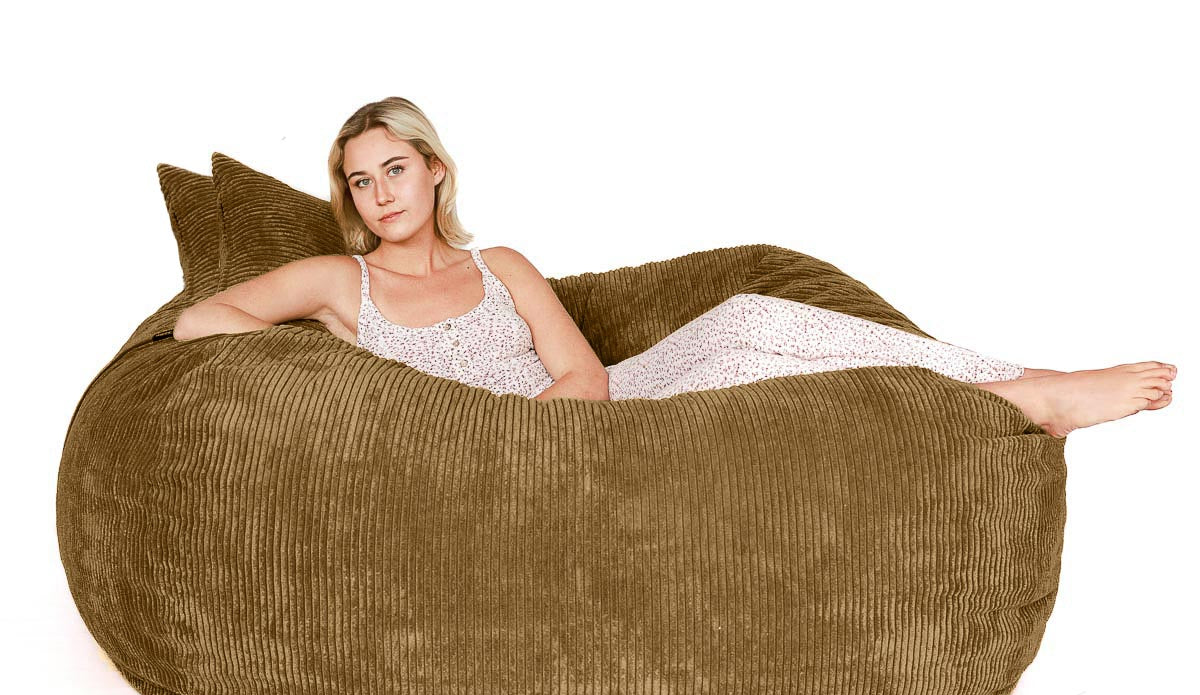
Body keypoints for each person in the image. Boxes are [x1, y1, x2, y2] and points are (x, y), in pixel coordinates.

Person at [174, 97, 1176, 438]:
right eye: (359, 181)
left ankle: (1016, 385)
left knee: (746, 323)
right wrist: (329, 359)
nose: (380, 194)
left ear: (435, 171)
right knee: (754, 364)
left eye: (396, 168)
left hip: (596, 413)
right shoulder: (339, 285)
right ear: (346, 198)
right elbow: (196, 325)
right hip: (488, 449)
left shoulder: (502, 264)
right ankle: (1024, 391)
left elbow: (587, 376)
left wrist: (542, 420)